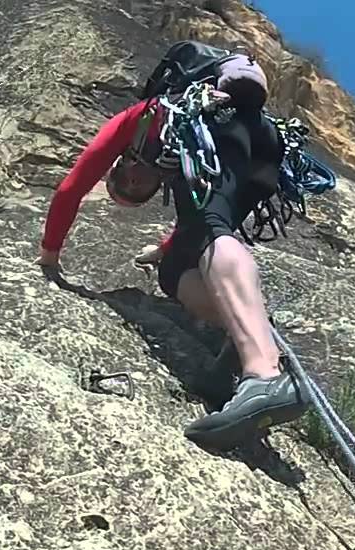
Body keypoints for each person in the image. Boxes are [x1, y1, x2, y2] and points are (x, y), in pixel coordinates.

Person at [37, 54, 306, 448]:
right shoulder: (183, 164)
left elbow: (70, 188)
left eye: (126, 182)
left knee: (211, 228)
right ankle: (240, 335)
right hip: (261, 148)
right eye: (136, 192)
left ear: (122, 163)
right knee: (177, 268)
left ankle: (263, 373)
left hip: (223, 120)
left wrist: (49, 255)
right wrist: (164, 250)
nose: (133, 182)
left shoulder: (146, 117)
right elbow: (188, 232)